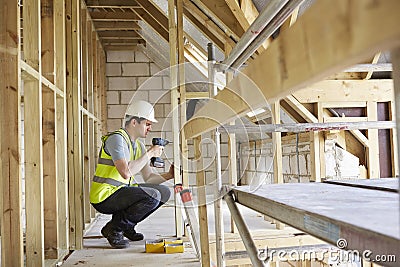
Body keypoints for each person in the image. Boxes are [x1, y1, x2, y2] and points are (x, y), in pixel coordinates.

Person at [89, 100, 174, 249]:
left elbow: (149, 177)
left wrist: (169, 175)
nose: (150, 128)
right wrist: (150, 153)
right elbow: (125, 172)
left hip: (120, 193)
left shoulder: (138, 145)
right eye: (147, 124)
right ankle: (114, 228)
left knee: (164, 192)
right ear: (134, 122)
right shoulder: (117, 139)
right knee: (151, 195)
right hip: (104, 196)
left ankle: (126, 226)